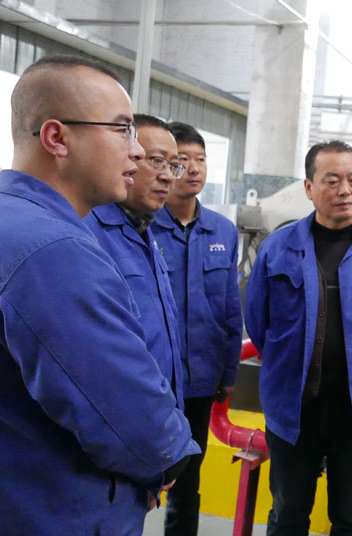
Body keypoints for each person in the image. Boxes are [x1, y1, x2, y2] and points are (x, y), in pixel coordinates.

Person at [0, 55, 199, 535]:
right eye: (122, 130)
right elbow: (132, 422)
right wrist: (170, 457)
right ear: (56, 138)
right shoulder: (52, 251)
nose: (136, 151)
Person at [245, 140, 352, 536]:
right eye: (332, 180)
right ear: (309, 188)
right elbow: (258, 321)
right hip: (294, 410)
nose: (346, 190)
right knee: (288, 515)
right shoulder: (277, 248)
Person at [153, 121, 242, 536]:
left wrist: (228, 373)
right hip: (152, 380)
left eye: (200, 159)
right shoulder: (142, 226)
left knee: (188, 483)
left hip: (201, 382)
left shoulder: (222, 231)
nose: (193, 168)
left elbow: (230, 309)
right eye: (182, 160)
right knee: (135, 481)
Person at [84, 114, 188, 410]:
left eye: (173, 165)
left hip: (160, 410)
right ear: (127, 156)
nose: (167, 176)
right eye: (156, 161)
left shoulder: (145, 232)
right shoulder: (89, 233)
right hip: (123, 416)